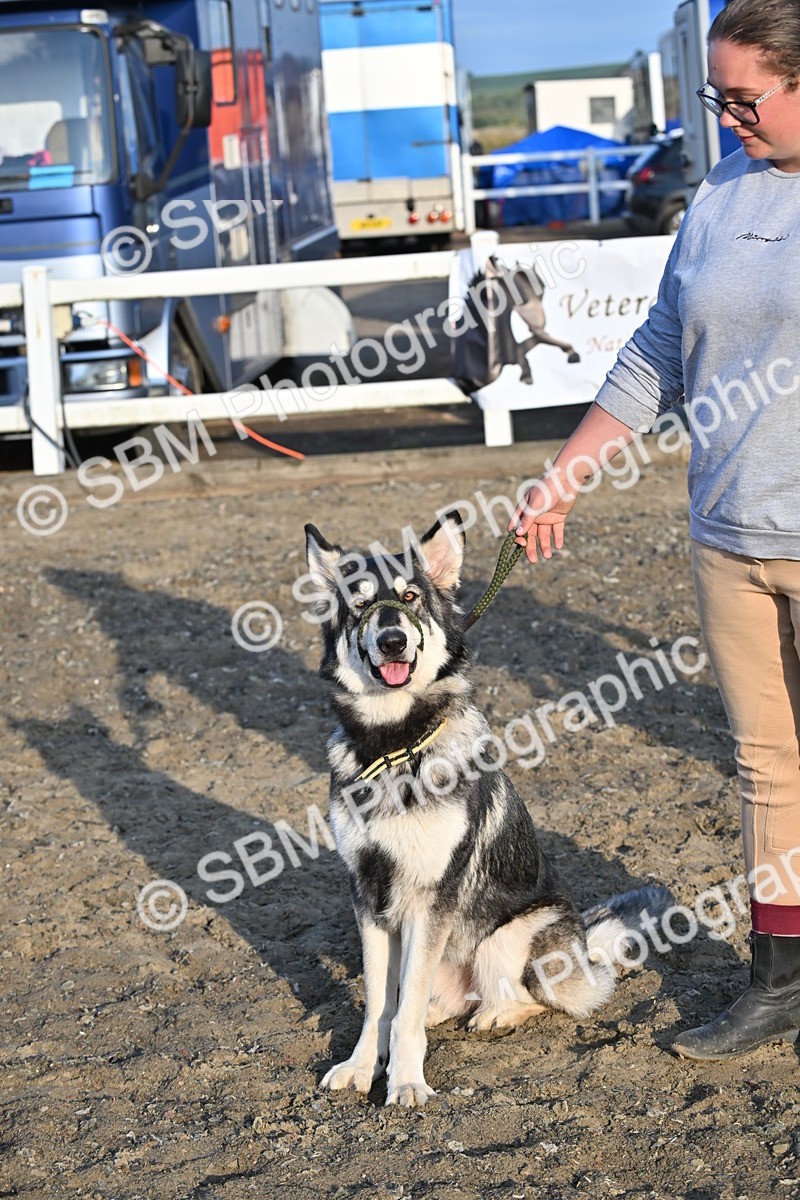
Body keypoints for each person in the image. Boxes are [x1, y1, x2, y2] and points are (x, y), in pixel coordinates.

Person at [509, 0, 800, 1061]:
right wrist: (562, 478)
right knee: (767, 765)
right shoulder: (721, 194)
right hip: (727, 533)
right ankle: (777, 981)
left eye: (744, 99)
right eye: (714, 97)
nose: (726, 120)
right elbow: (657, 349)